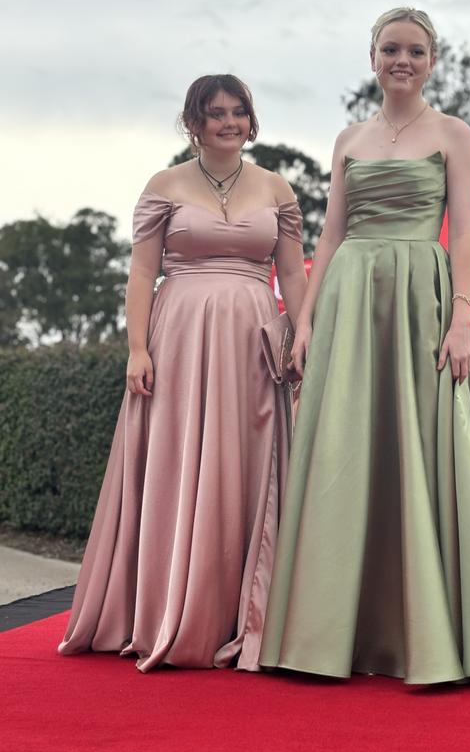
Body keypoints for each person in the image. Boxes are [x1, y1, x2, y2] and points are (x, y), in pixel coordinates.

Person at [259, 9, 470, 684]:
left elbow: (467, 234)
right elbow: (328, 236)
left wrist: (462, 318)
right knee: (342, 448)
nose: (402, 60)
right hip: (350, 301)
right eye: (391, 49)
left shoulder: (453, 134)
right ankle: (329, 634)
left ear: (432, 61)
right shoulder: (350, 137)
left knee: (426, 450)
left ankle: (442, 633)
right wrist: (301, 321)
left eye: (415, 51)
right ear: (371, 57)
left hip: (424, 297)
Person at [59, 74, 307, 672]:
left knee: (245, 466)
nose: (229, 122)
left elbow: (294, 275)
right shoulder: (164, 185)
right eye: (215, 113)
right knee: (177, 461)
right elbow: (142, 274)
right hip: (179, 339)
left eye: (238, 112)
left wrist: (303, 336)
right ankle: (168, 608)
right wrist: (137, 349)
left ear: (251, 120)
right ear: (192, 123)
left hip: (252, 339)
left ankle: (246, 615)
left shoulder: (277, 188)